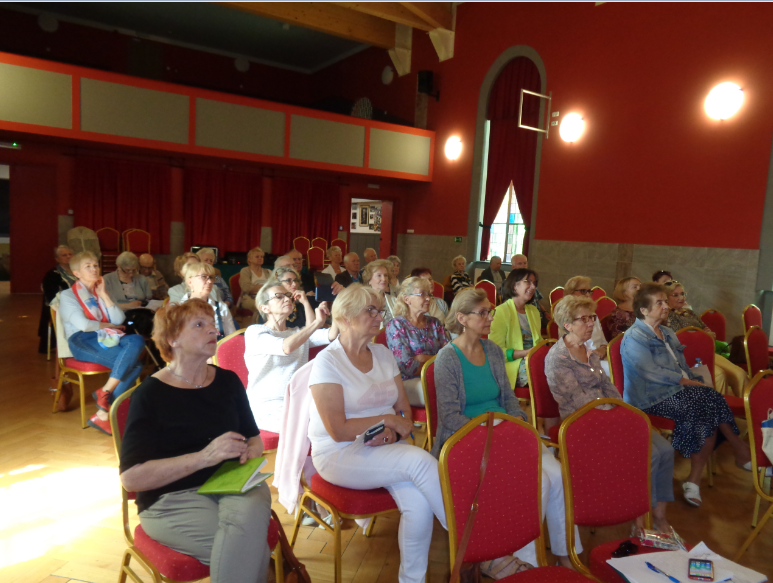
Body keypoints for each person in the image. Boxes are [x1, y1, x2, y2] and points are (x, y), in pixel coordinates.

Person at [119, 299, 272, 583]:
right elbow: (132, 479)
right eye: (199, 325)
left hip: (233, 482)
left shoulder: (228, 381)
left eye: (212, 324)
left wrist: (249, 452)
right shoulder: (150, 395)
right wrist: (205, 457)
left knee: (246, 547)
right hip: (171, 498)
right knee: (253, 553)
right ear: (172, 339)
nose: (213, 330)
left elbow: (254, 438)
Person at [432, 288, 580, 572]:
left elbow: (509, 399)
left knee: (557, 474)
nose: (490, 317)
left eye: (490, 311)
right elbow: (450, 417)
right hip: (469, 438)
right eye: (483, 313)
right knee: (539, 481)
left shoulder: (492, 350)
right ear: (462, 318)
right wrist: (492, 431)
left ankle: (565, 555)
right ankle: (523, 560)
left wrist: (517, 424)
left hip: (505, 431)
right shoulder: (447, 358)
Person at [308, 284, 447, 583]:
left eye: (380, 310)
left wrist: (394, 431)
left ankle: (413, 580)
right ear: (345, 317)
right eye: (370, 310)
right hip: (338, 453)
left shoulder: (383, 353)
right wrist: (388, 420)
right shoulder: (327, 362)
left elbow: (403, 410)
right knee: (420, 462)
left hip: (384, 445)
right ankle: (473, 539)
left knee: (419, 501)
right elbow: (338, 430)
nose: (379, 316)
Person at [547, 295, 674, 532]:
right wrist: (615, 416)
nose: (591, 324)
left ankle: (659, 514)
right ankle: (640, 519)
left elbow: (608, 388)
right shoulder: (558, 359)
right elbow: (579, 404)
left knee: (665, 450)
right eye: (584, 319)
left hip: (609, 415)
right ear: (567, 325)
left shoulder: (588, 351)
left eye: (592, 318)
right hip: (582, 423)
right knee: (650, 454)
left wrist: (621, 410)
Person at [621, 283, 751, 507]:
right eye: (659, 303)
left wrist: (694, 380)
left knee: (708, 403)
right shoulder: (635, 336)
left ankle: (696, 478)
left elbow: (683, 367)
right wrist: (686, 382)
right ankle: (736, 453)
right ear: (643, 310)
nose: (665, 306)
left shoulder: (668, 332)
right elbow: (649, 371)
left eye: (665, 301)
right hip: (651, 397)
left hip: (679, 391)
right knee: (708, 402)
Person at [59, 251, 145, 434]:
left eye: (95, 265)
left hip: (107, 336)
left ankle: (104, 395)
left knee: (137, 339)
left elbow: (119, 319)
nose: (94, 269)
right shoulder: (68, 295)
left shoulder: (99, 292)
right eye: (88, 266)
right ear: (76, 273)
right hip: (82, 340)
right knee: (135, 365)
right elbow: (84, 325)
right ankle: (104, 412)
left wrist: (104, 295)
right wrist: (110, 325)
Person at [245, 281, 338, 433]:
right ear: (265, 308)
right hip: (267, 406)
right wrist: (316, 323)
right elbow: (286, 347)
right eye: (279, 297)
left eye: (288, 295)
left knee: (339, 414)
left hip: (299, 402)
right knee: (320, 425)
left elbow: (332, 334)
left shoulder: (297, 333)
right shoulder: (255, 332)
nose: (287, 299)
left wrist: (338, 306)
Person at [662, 280, 748, 398]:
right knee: (719, 376)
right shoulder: (667, 316)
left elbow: (707, 331)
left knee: (740, 374)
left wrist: (704, 335)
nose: (681, 298)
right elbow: (682, 337)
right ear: (666, 298)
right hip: (688, 356)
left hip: (706, 352)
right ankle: (718, 408)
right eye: (675, 295)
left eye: (682, 294)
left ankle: (745, 407)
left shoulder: (689, 313)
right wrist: (702, 336)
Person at [386, 277, 449, 407]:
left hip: (439, 377)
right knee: (445, 390)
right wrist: (437, 359)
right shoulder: (396, 325)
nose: (428, 298)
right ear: (407, 299)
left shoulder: (434, 323)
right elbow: (406, 366)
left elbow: (450, 357)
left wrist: (421, 358)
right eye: (422, 294)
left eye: (429, 294)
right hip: (408, 382)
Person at [489, 268, 543, 389]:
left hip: (533, 360)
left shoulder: (533, 311)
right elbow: (495, 352)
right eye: (528, 281)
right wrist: (527, 353)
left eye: (534, 283)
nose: (533, 286)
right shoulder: (500, 312)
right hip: (512, 365)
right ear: (514, 285)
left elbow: (539, 342)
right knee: (542, 371)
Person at [179, 262, 236, 340]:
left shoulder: (221, 307)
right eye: (204, 277)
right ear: (190, 282)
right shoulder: (179, 309)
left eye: (211, 277)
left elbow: (232, 338)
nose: (210, 281)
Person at [38, 244, 77, 353]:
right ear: (57, 259)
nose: (68, 256)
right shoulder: (52, 275)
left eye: (70, 254)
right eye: (64, 255)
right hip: (59, 306)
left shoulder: (79, 271)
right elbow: (52, 296)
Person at [564, 276, 608, 369]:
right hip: (581, 362)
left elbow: (603, 342)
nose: (587, 295)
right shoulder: (567, 316)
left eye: (589, 291)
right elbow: (569, 348)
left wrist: (602, 349)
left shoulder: (593, 315)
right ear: (570, 293)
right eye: (583, 291)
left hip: (599, 357)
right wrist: (592, 354)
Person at [238, 247, 271, 314]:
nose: (260, 258)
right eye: (257, 257)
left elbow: (275, 286)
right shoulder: (245, 271)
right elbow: (246, 288)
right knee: (260, 306)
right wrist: (266, 287)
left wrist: (257, 287)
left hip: (266, 297)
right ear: (249, 259)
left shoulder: (268, 272)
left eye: (262, 257)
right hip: (249, 298)